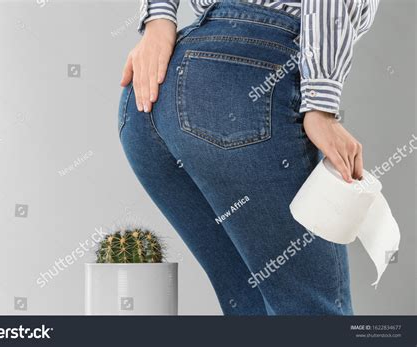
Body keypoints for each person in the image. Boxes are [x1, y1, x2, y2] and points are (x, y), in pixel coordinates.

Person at [117, 0, 380, 315]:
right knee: (313, 313)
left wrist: (158, 19)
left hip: (153, 90)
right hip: (244, 83)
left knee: (249, 307)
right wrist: (320, 104)